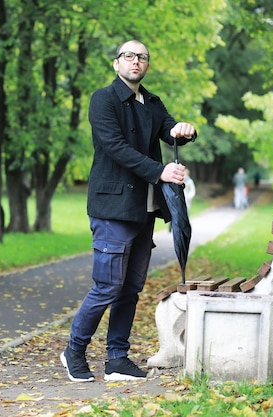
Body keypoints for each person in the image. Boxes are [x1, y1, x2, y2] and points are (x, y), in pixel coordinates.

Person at [60, 39, 197, 382]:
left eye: (142, 57)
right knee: (107, 285)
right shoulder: (103, 99)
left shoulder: (152, 102)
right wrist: (159, 171)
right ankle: (73, 351)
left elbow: (169, 130)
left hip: (143, 209)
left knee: (131, 288)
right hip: (112, 208)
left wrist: (183, 130)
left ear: (147, 65)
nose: (136, 61)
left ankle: (117, 359)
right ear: (116, 63)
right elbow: (115, 147)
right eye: (129, 56)